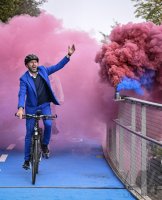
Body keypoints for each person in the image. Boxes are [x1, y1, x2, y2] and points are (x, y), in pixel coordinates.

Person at [16, 45, 75, 169]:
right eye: (31, 62)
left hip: (45, 105)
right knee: (29, 133)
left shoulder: (43, 70)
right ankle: (27, 160)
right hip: (31, 107)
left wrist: (68, 55)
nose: (34, 64)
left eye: (35, 62)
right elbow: (22, 94)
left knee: (49, 124)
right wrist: (20, 108)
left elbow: (58, 66)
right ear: (26, 65)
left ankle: (44, 145)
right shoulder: (24, 79)